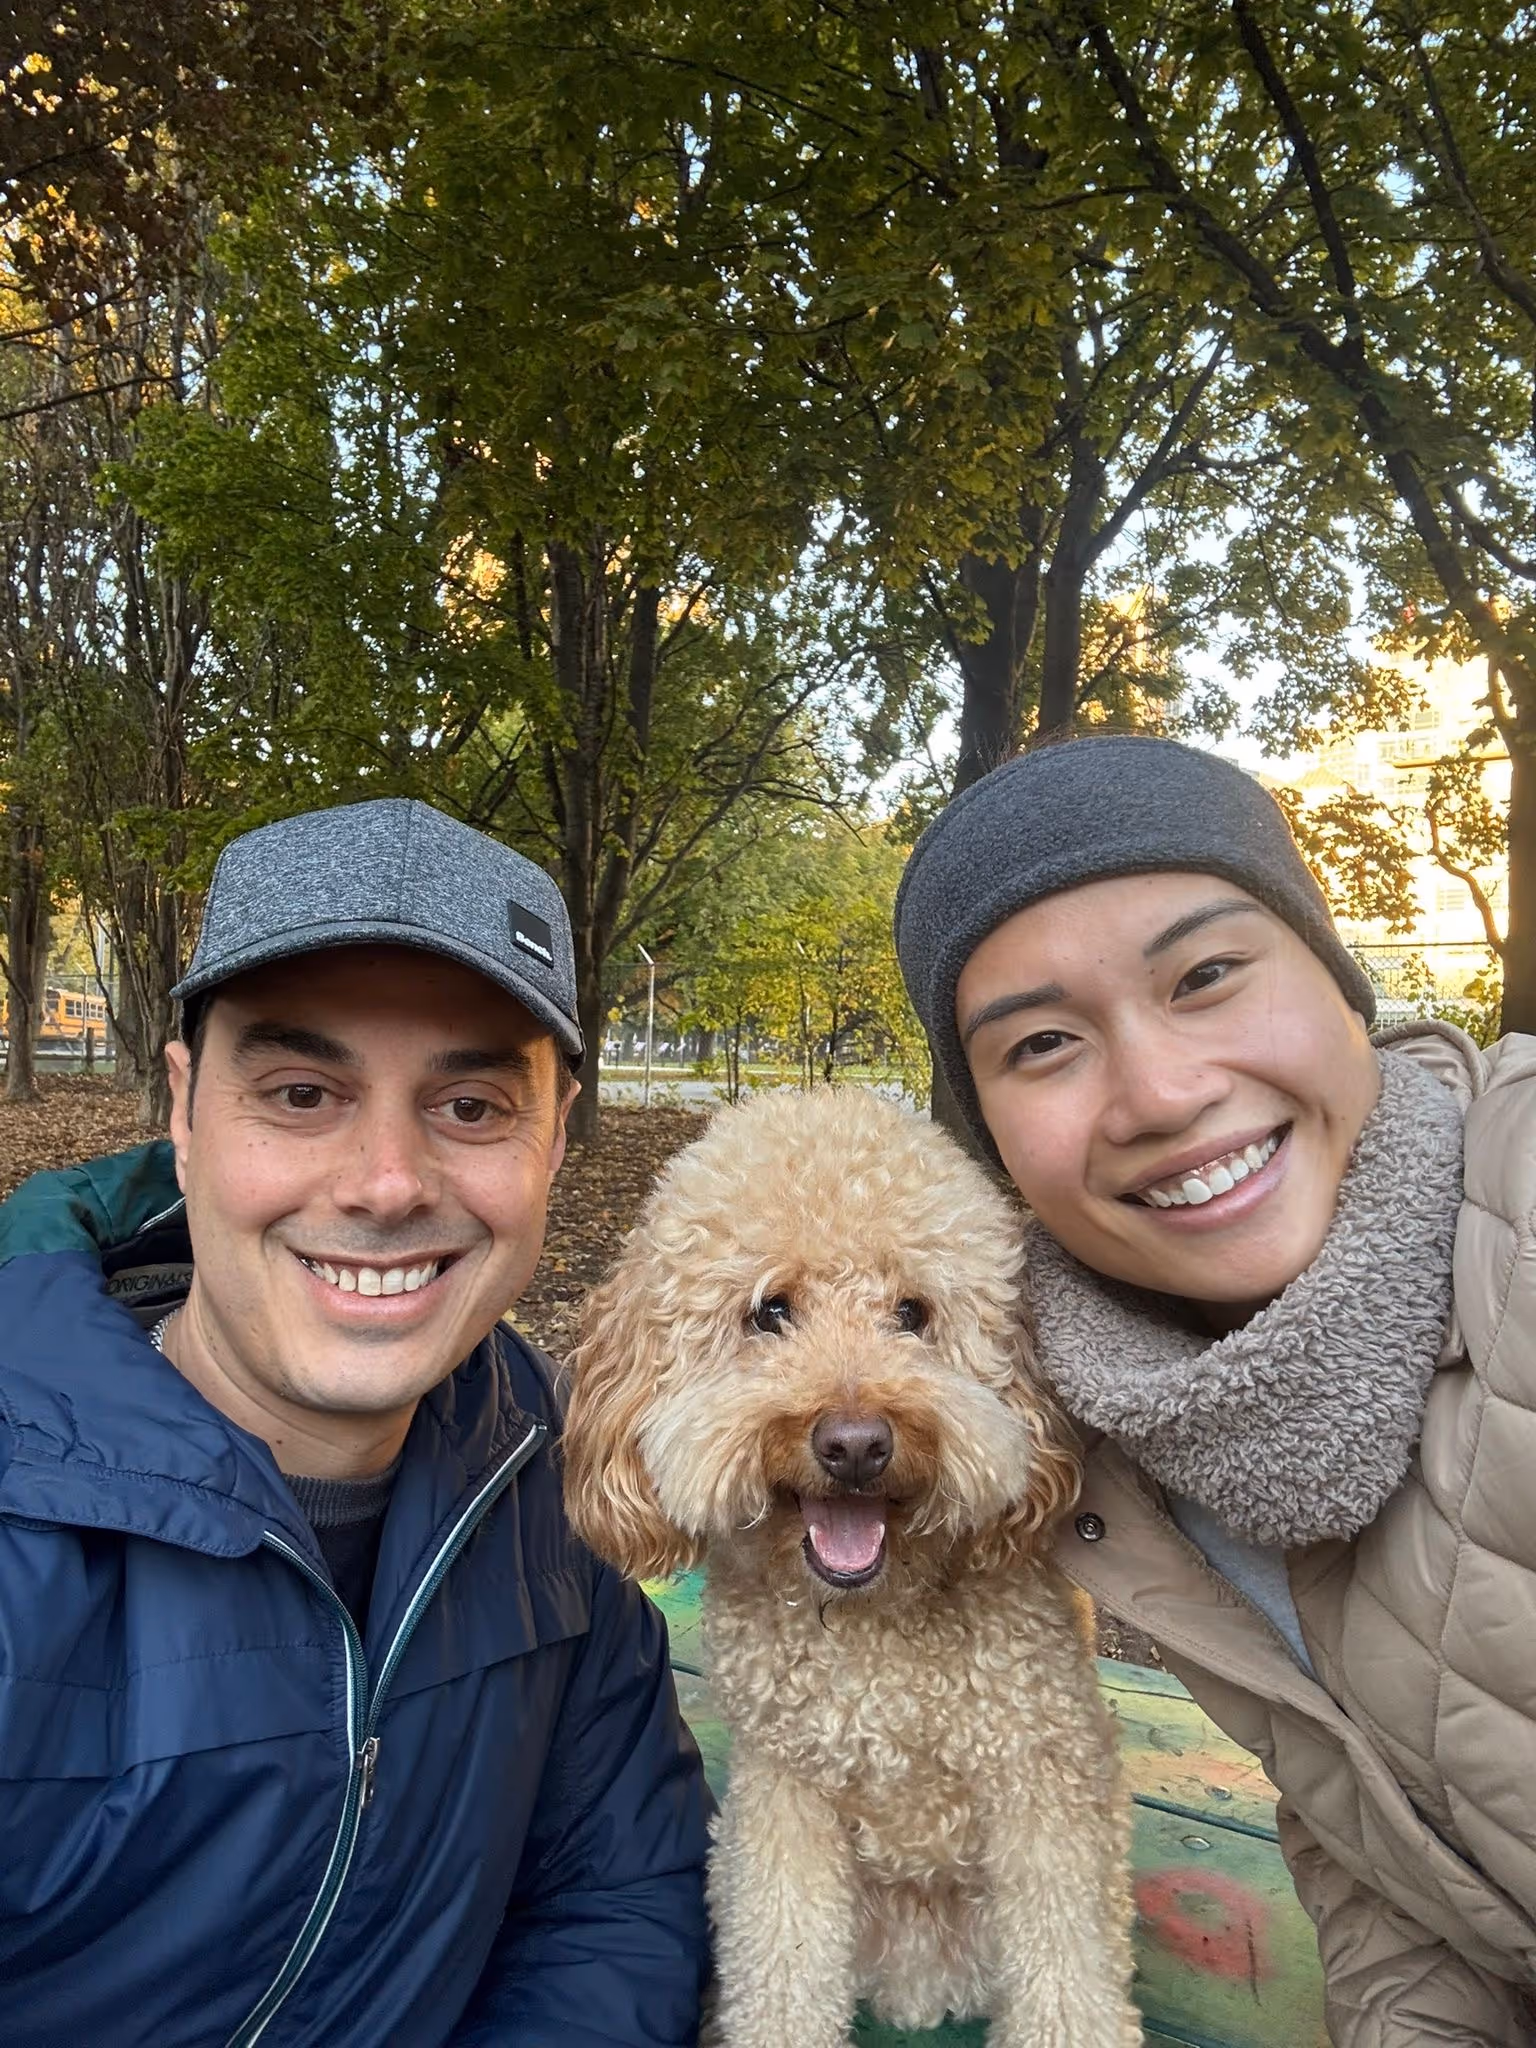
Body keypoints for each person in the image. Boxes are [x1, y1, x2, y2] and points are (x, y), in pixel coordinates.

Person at [0, 799, 711, 2048]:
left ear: (556, 1135)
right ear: (184, 1111)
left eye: (473, 1106)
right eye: (300, 1091)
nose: (387, 1182)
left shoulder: (547, 1473)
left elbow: (610, 1891)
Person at [895, 734, 1536, 2046]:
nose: (1161, 1093)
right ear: (991, 1138)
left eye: (1205, 975)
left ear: (1338, 983)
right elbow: (1389, 1839)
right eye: (1044, 1043)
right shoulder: (1102, 1429)